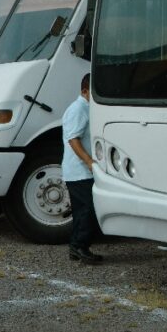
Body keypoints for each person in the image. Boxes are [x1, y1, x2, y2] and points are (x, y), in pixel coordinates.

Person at [63, 72, 103, 263]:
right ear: (85, 90)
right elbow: (73, 139)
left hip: (78, 171)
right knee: (89, 209)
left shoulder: (85, 107)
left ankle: (77, 246)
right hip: (79, 171)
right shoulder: (79, 109)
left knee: (82, 210)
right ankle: (80, 245)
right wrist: (89, 162)